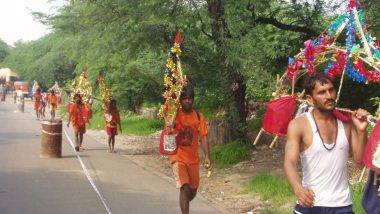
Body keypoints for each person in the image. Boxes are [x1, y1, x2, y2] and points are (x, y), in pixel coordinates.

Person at [284, 73, 369, 213]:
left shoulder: (347, 123)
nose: (329, 96)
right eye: (322, 92)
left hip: (342, 205)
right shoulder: (299, 125)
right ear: (310, 99)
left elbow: (360, 162)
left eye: (331, 90)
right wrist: (298, 189)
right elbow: (290, 162)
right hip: (310, 204)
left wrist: (361, 131)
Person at [169, 85, 211, 214]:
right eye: (184, 98)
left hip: (193, 160)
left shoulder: (198, 117)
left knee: (192, 191)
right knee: (184, 187)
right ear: (180, 100)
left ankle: (184, 201)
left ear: (193, 100)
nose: (187, 101)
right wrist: (169, 122)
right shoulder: (174, 115)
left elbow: (203, 138)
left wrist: (207, 157)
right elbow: (168, 129)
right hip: (178, 157)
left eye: (190, 98)